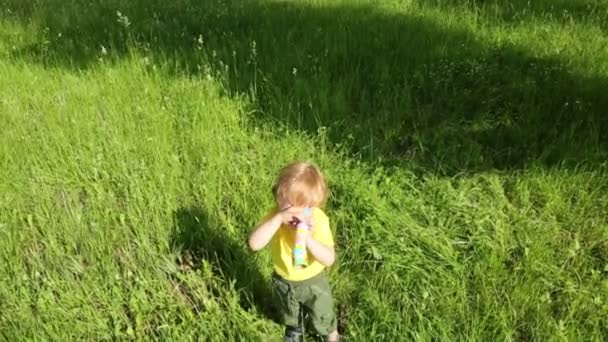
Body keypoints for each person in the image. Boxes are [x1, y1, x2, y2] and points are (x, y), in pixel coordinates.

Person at [248, 161, 339, 342]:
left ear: (313, 206)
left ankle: (332, 334)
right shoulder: (275, 216)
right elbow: (254, 244)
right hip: (284, 280)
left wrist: (308, 240)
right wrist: (279, 218)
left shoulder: (318, 221)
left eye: (303, 208)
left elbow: (329, 259)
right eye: (287, 206)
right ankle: (294, 328)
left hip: (313, 281)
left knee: (322, 312)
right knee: (289, 310)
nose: (294, 214)